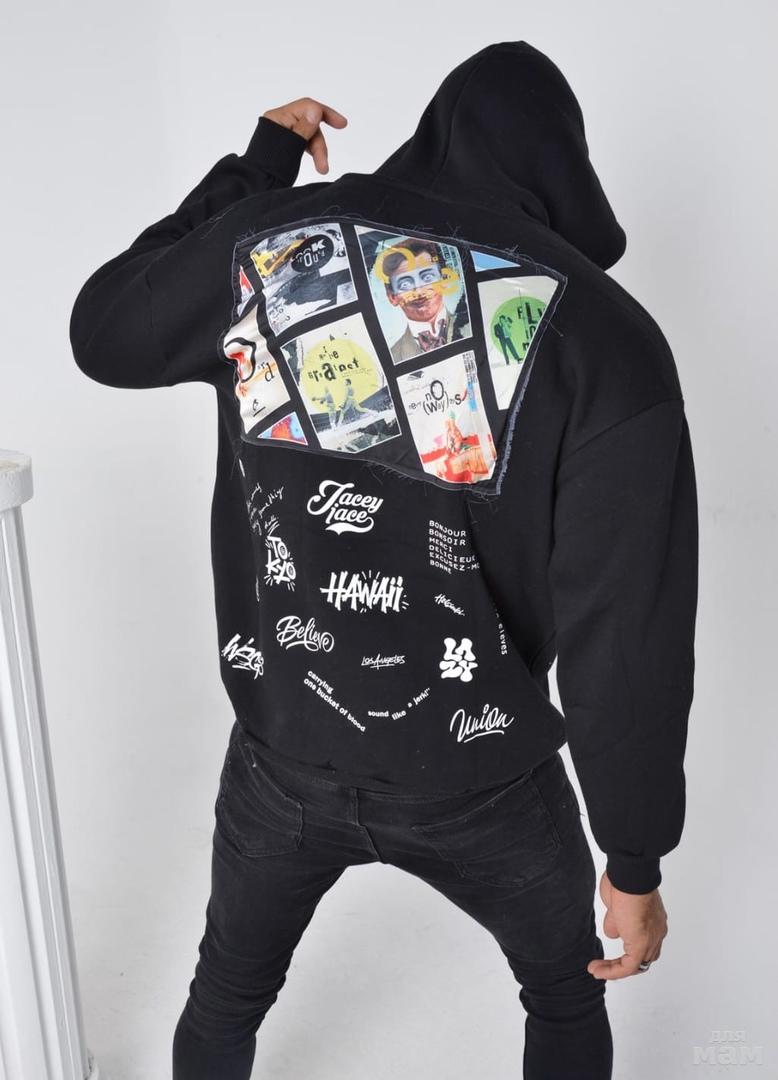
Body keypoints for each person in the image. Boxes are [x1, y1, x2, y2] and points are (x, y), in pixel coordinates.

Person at [69, 39, 698, 1080]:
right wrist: (632, 861)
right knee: (565, 997)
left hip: (283, 753)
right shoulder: (606, 338)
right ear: (563, 171)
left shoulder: (278, 246)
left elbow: (106, 330)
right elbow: (625, 634)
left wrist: (258, 170)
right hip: (484, 778)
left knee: (225, 996)